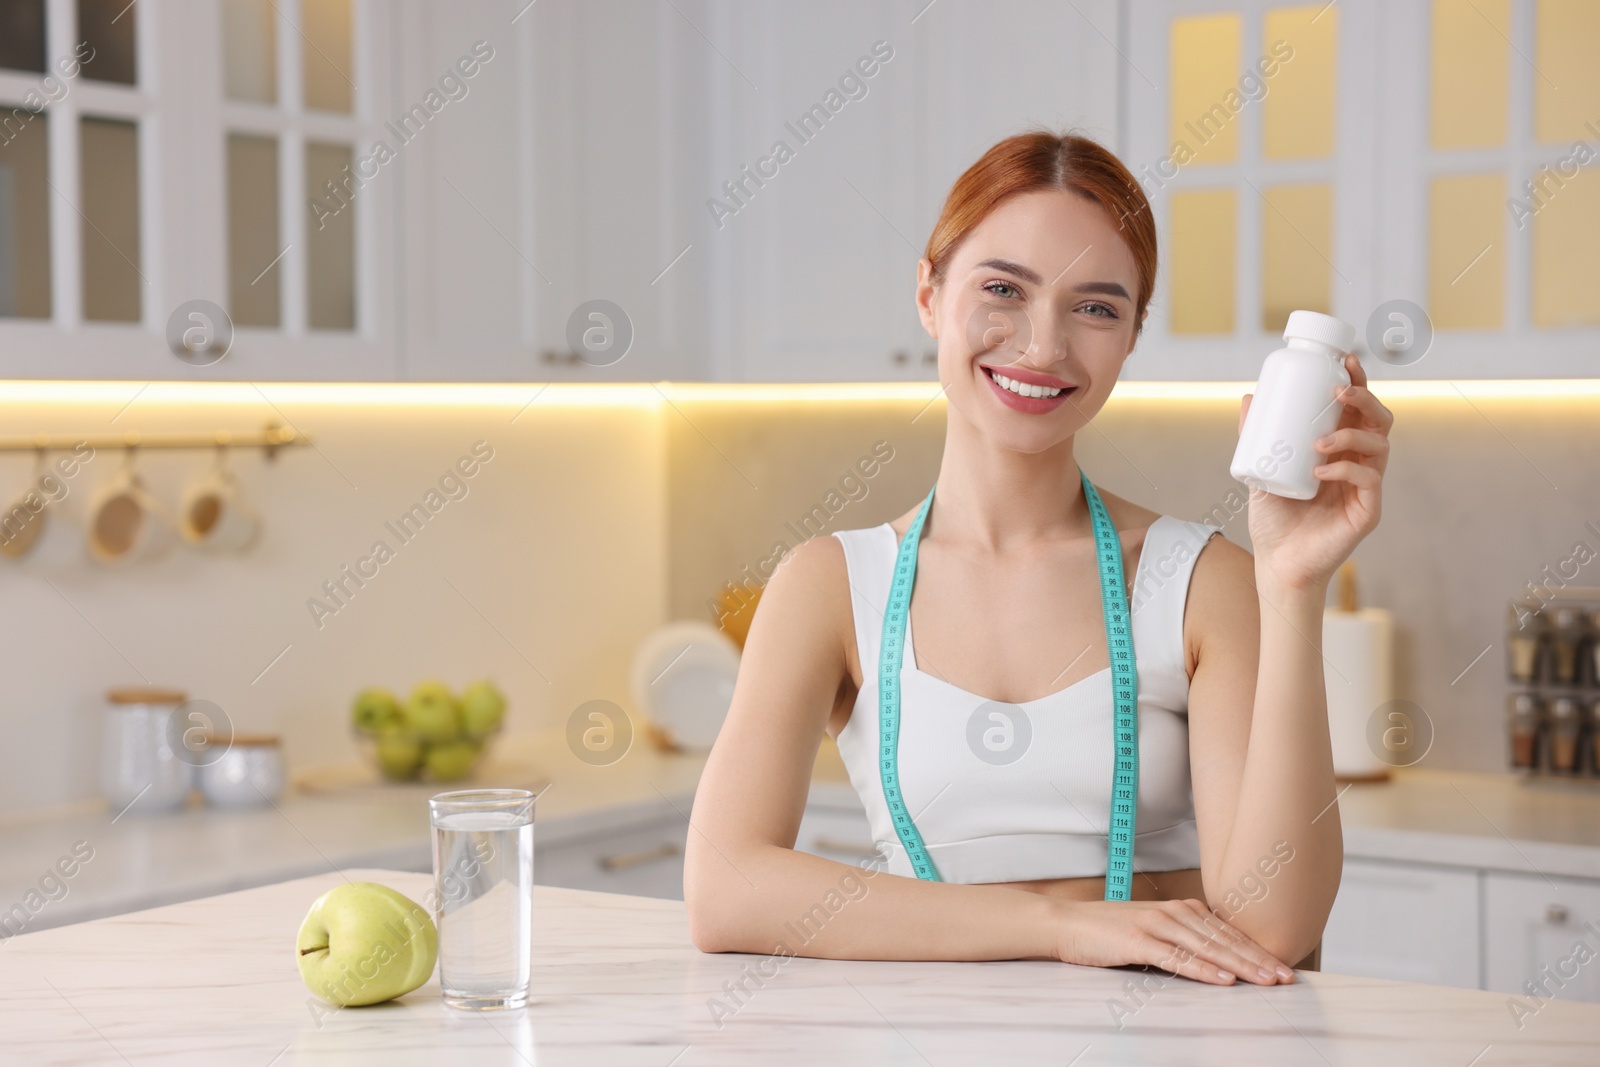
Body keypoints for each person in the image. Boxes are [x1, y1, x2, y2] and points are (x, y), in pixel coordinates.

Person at [684, 130, 1392, 986]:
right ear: (928, 293)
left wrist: (1292, 581)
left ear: (1131, 335)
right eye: (1001, 289)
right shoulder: (832, 585)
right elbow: (724, 887)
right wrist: (1059, 922)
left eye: (1096, 307)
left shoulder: (1200, 583)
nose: (1043, 347)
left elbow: (1274, 927)